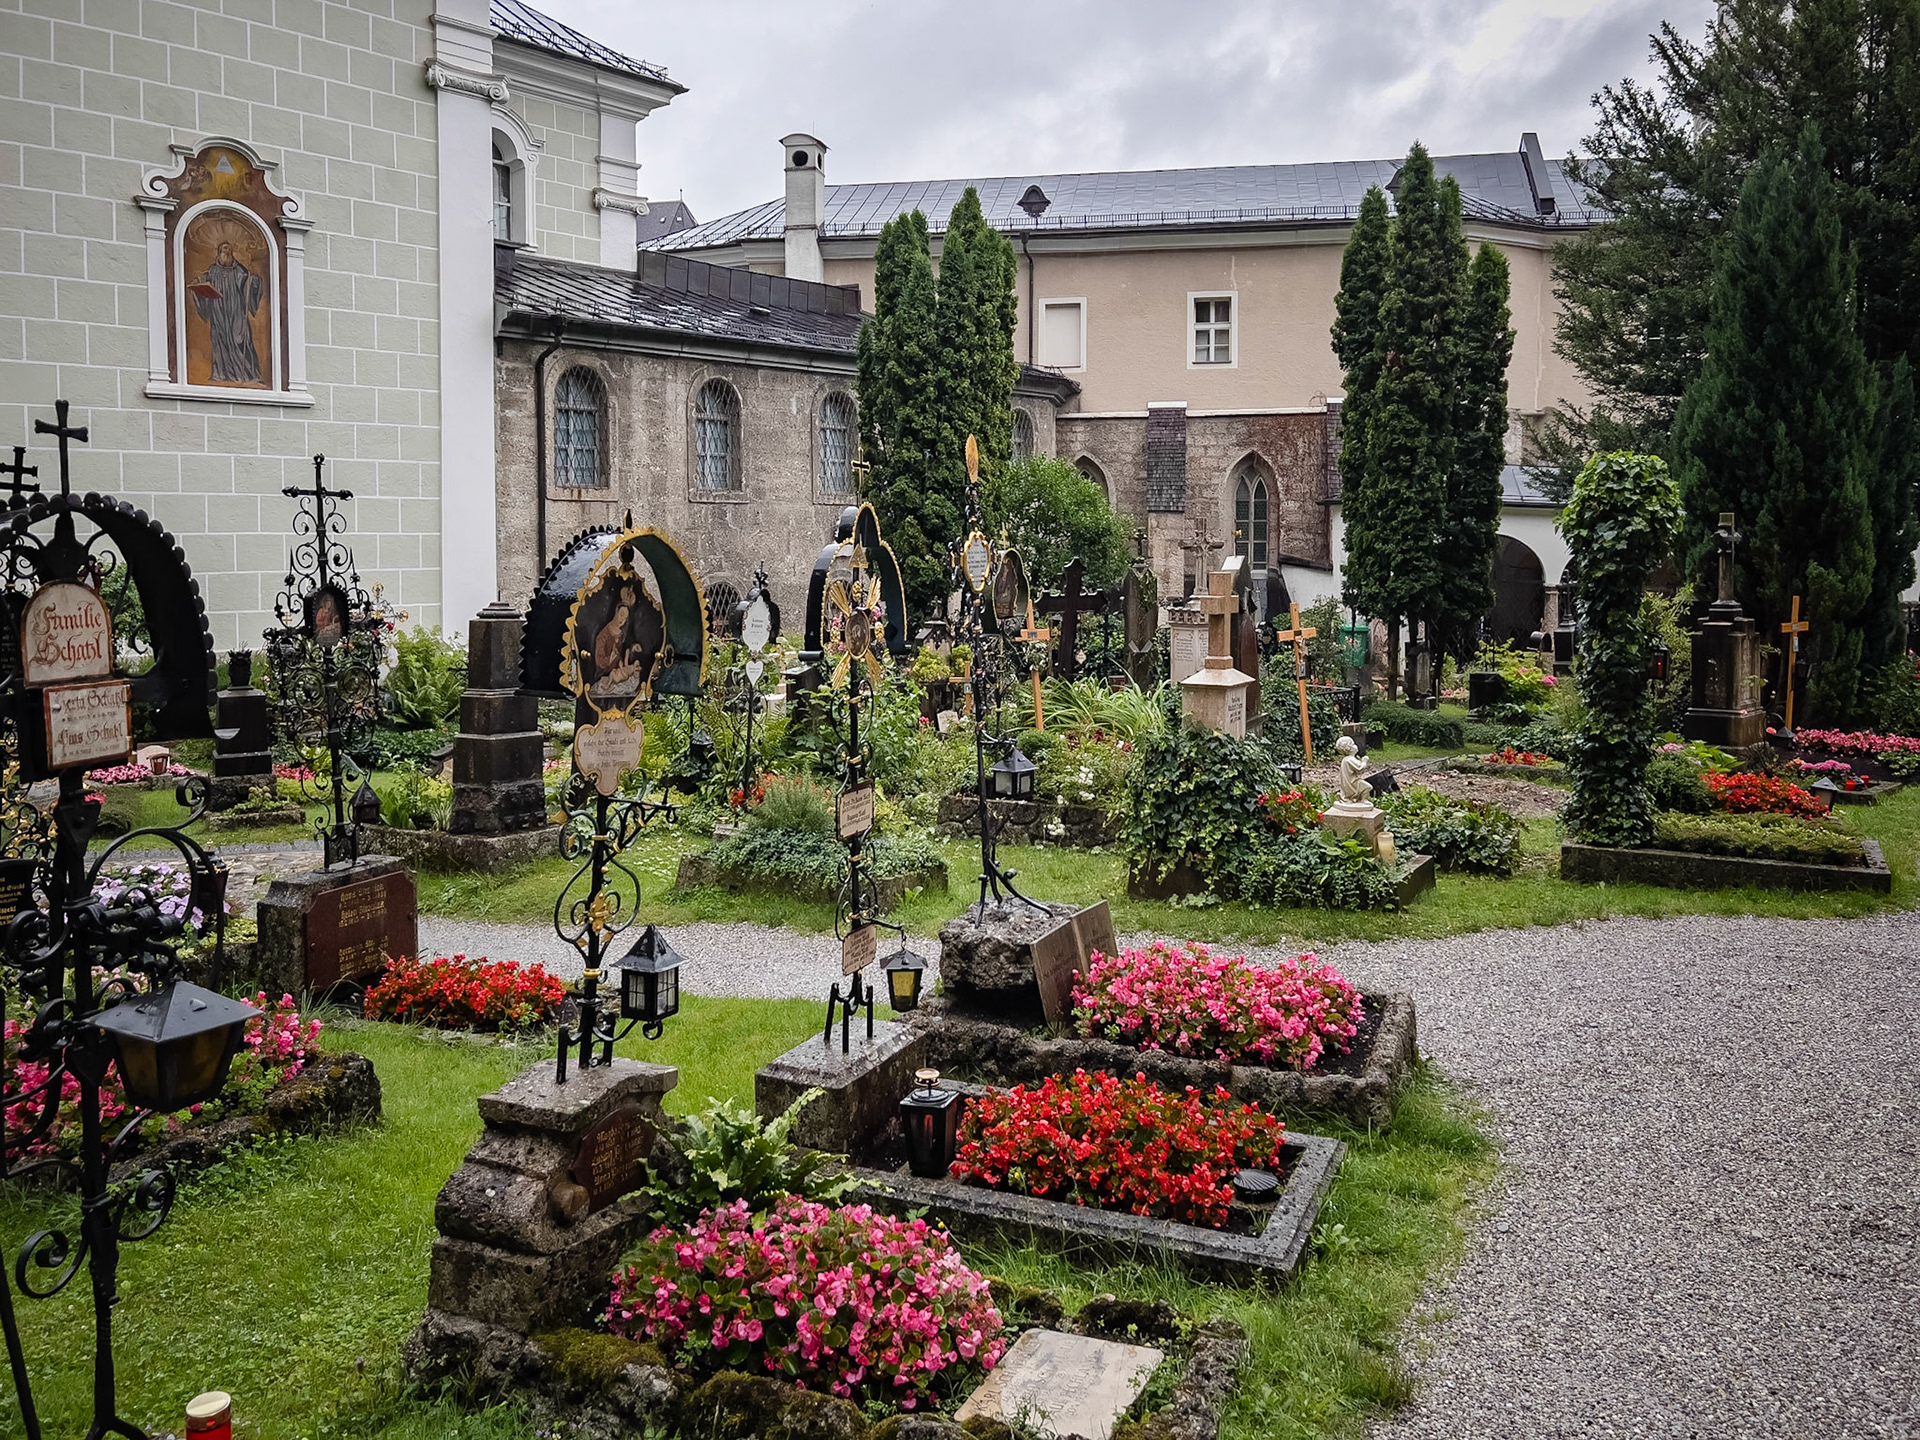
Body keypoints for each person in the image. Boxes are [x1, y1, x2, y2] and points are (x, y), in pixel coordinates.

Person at [189, 239, 265, 384]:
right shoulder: (213, 270)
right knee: (220, 341)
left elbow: (248, 284)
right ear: (219, 253)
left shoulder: (240, 270)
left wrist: (253, 282)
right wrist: (197, 284)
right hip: (219, 311)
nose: (226, 253)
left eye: (228, 251)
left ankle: (247, 375)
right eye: (223, 250)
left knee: (240, 339)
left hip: (236, 310)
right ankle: (221, 374)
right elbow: (203, 279)